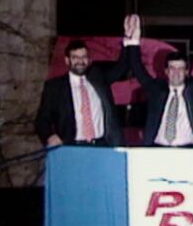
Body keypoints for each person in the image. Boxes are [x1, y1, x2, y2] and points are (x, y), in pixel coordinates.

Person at [34, 18, 137, 147]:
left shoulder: (98, 77)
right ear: (67, 60)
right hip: (72, 147)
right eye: (75, 57)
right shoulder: (55, 87)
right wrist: (49, 136)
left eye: (84, 57)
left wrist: (128, 40)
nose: (80, 61)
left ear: (89, 60)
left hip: (102, 145)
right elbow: (42, 120)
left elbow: (121, 68)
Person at [125, 14, 193, 147]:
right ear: (166, 71)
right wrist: (134, 40)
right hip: (157, 150)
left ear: (187, 71)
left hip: (188, 151)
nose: (176, 73)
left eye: (180, 68)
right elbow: (138, 69)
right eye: (172, 68)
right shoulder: (156, 90)